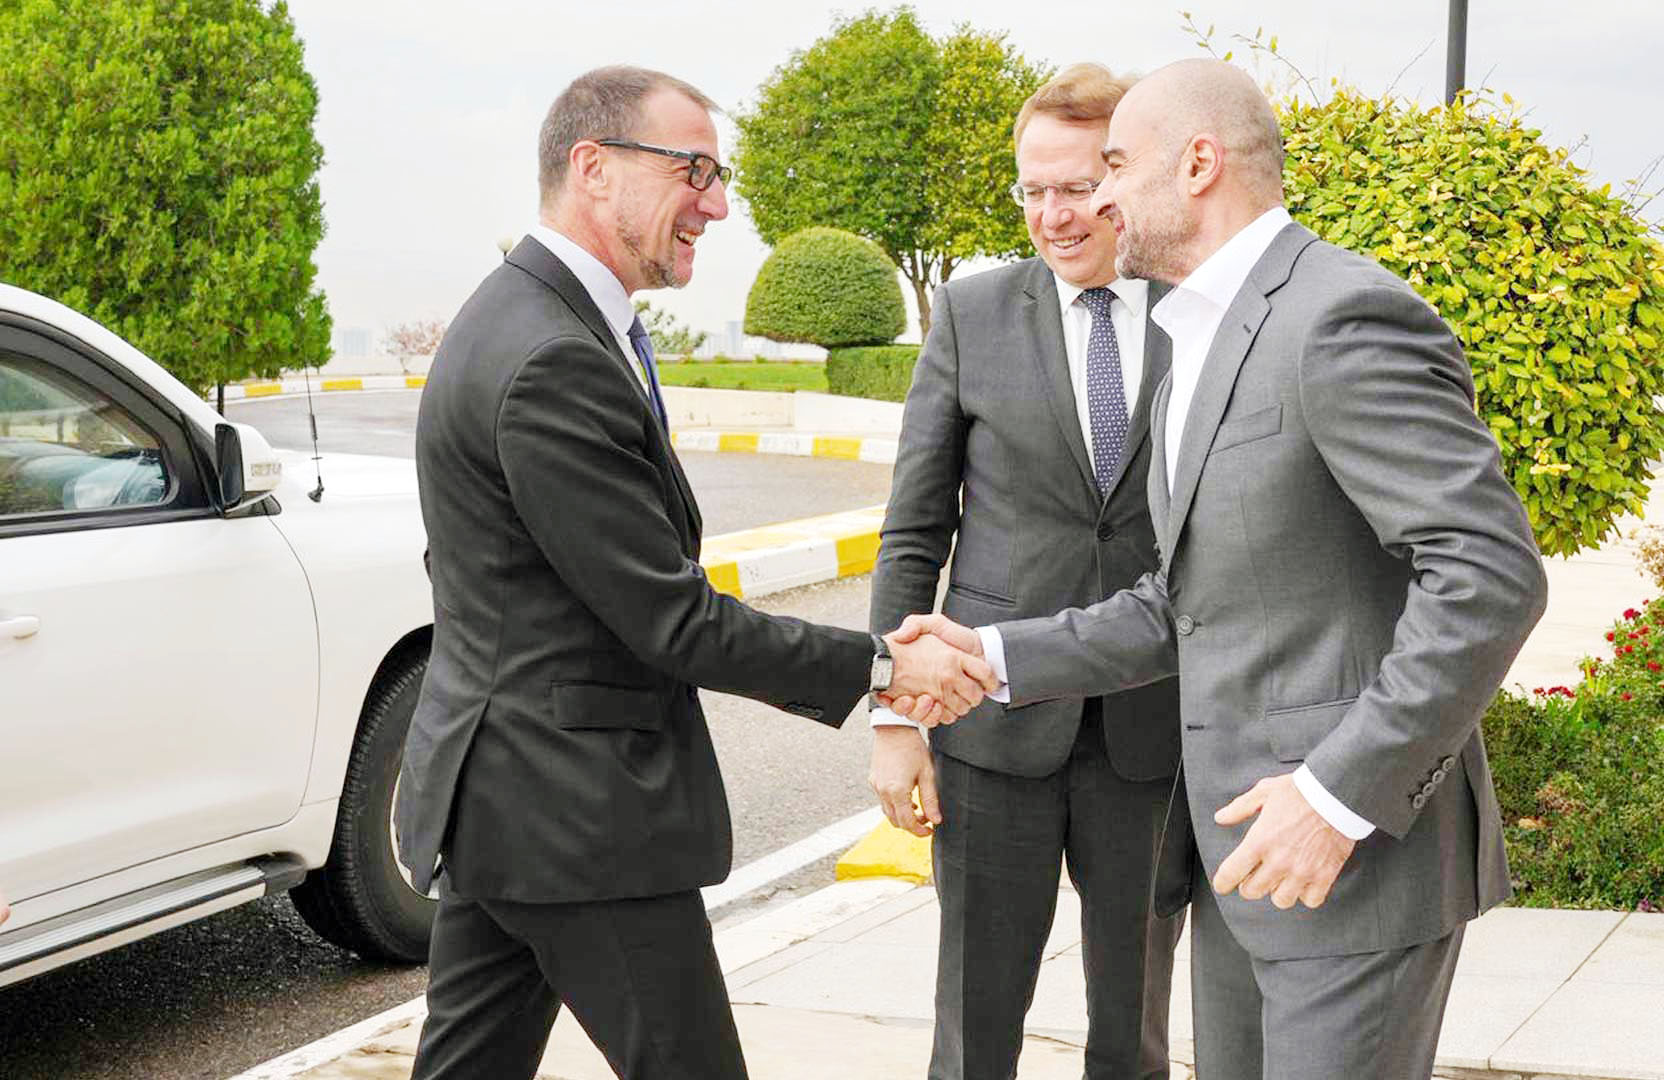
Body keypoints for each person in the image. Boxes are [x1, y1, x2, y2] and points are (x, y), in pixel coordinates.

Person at [890, 59, 1549, 1080]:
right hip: (1240, 859)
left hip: (1345, 861)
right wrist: (991, 655)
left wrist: (1336, 796)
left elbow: (1490, 576)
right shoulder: (1198, 335)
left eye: (1114, 167)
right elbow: (1186, 600)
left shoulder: (1339, 316)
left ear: (1197, 165)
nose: (1098, 200)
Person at [395, 66, 994, 1080]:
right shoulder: (550, 355)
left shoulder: (523, 317)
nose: (715, 206)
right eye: (695, 171)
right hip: (576, 813)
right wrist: (888, 667)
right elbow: (670, 619)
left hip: (506, 798)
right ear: (594, 167)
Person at [867, 63, 1184, 1080]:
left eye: (1078, 186)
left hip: (1151, 725)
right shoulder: (971, 313)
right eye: (1032, 190)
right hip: (987, 725)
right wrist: (894, 719)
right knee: (974, 1024)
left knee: (1133, 1027)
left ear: (1125, 177)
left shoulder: (1200, 314)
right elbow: (914, 529)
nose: (1053, 215)